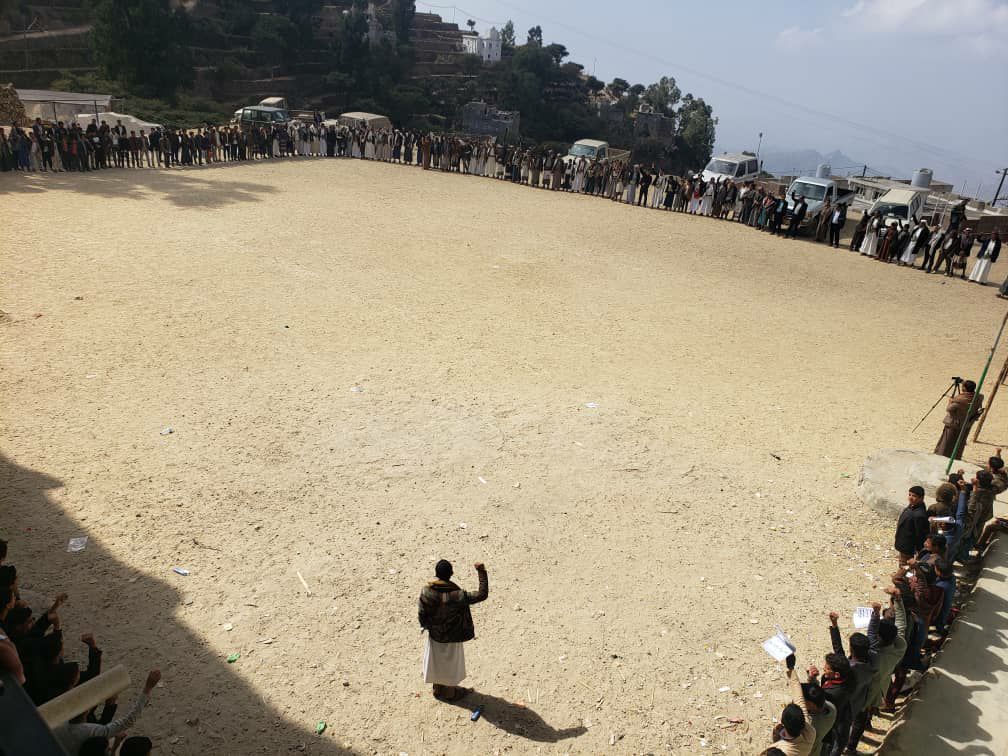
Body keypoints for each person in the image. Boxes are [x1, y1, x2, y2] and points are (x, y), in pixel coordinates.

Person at [418, 560, 488, 702]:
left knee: (436, 662)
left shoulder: (426, 591)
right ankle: (450, 693)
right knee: (450, 664)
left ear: (436, 574)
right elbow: (482, 594)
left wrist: (427, 626)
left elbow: (421, 613)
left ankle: (437, 689)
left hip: (435, 635)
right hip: (453, 636)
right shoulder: (458, 595)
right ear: (451, 574)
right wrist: (481, 572)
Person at [52, 669, 161, 755]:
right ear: (87, 709)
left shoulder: (57, 727)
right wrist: (148, 688)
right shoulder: (92, 731)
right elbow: (128, 720)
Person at [769, 654, 816, 755]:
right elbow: (799, 698)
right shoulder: (810, 733)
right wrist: (791, 668)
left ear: (783, 723)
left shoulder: (782, 750)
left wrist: (776, 738)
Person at [934, 380, 983, 460]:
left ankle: (942, 456)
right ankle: (956, 456)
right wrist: (963, 382)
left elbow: (949, 409)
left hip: (954, 423)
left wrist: (950, 401)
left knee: (947, 442)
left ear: (964, 388)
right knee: (959, 442)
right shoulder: (979, 397)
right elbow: (974, 391)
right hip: (967, 423)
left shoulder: (959, 400)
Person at [894, 486, 929, 566]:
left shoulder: (919, 515)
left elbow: (920, 534)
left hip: (908, 546)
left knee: (905, 566)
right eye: (909, 495)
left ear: (921, 498)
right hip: (903, 542)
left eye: (914, 496)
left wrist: (919, 550)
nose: (910, 497)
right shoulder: (912, 506)